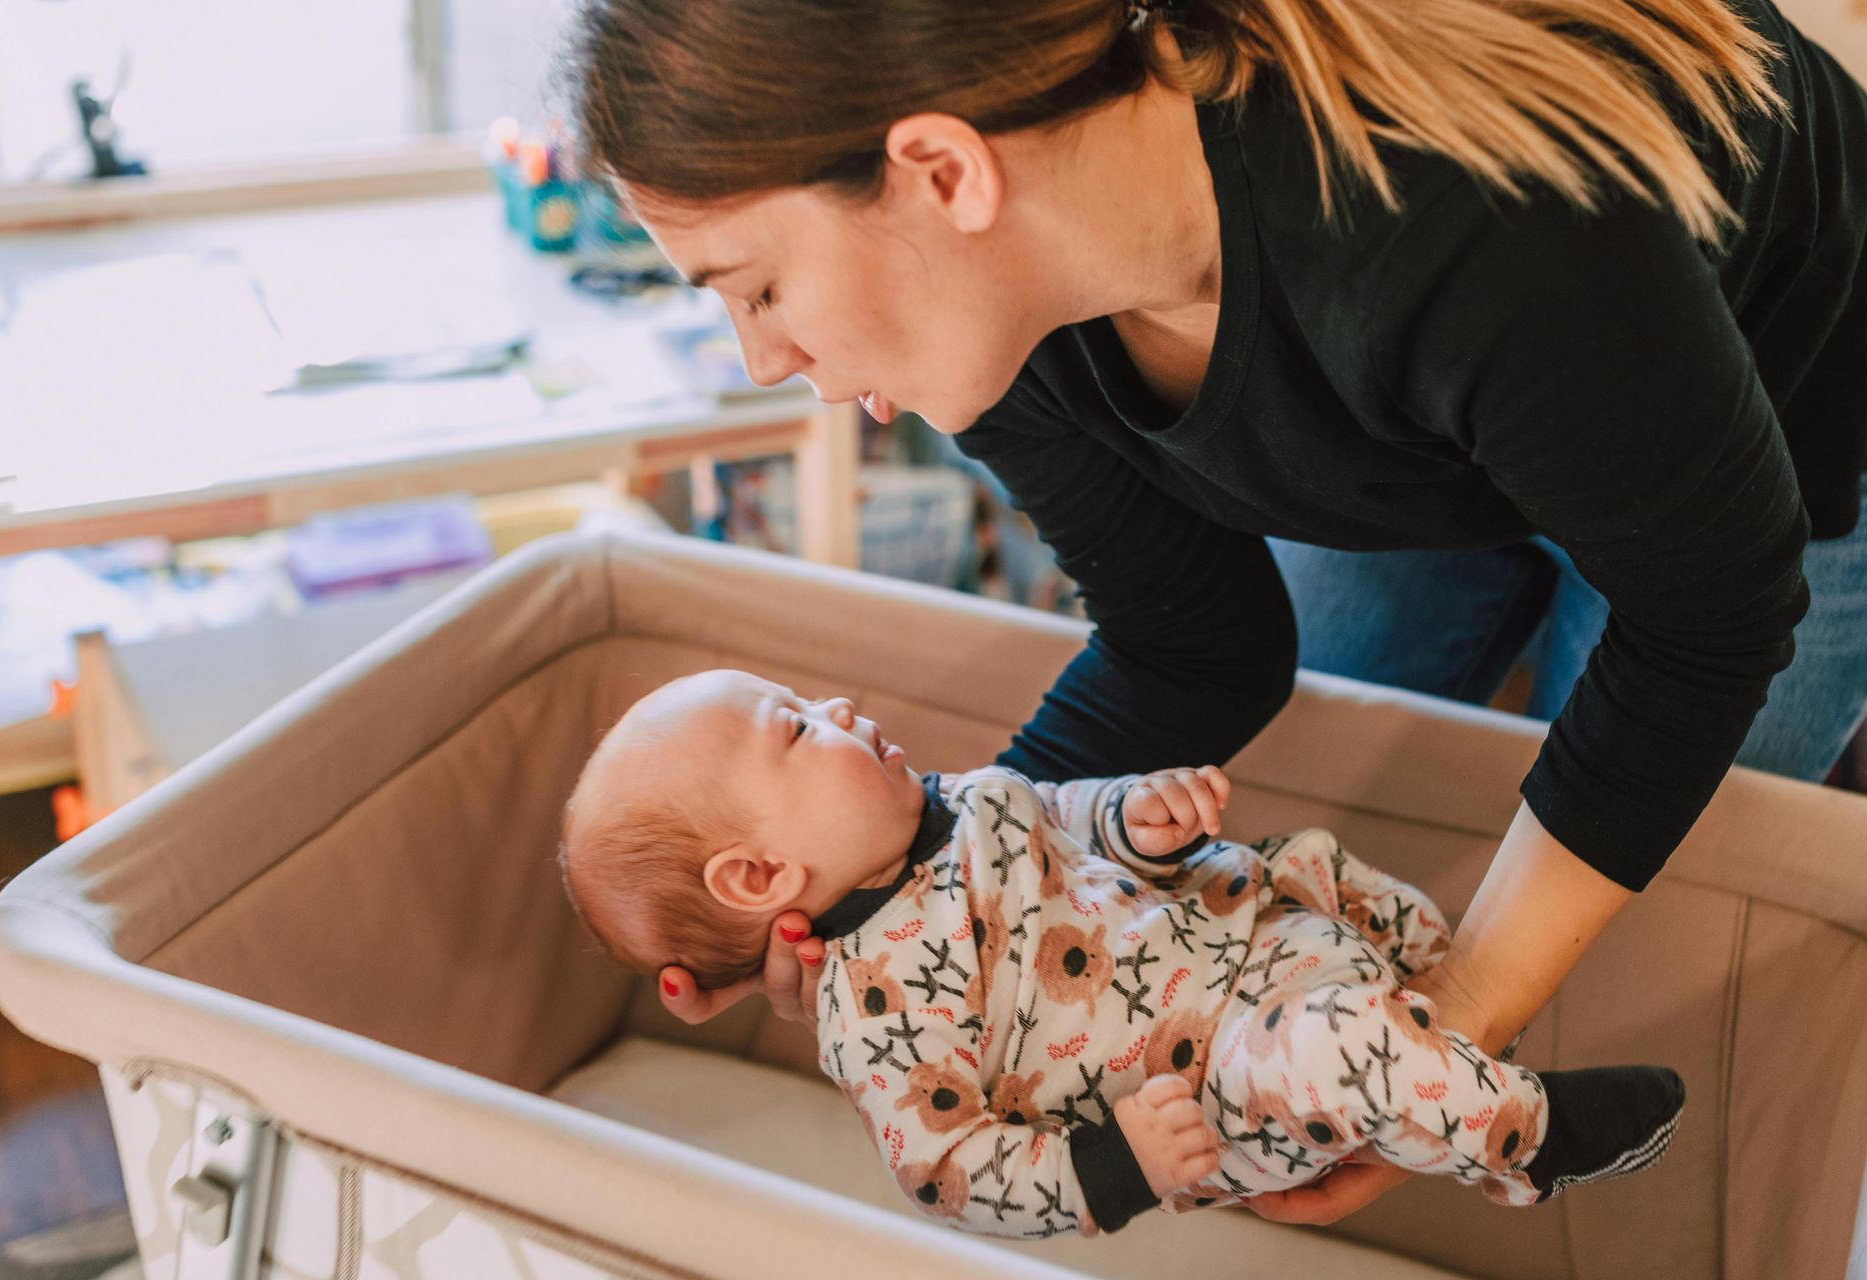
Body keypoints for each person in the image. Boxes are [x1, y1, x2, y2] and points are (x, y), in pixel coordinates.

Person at [564, 0, 1867, 1222]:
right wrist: (941, 893)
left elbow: (1711, 617)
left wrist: (1460, 1015)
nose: (764, 360)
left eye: (759, 288)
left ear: (944, 174)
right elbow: (1197, 643)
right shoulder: (999, 313)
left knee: (1656, 925)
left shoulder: (1449, 220)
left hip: (1785, 401)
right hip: (1455, 401)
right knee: (1340, 805)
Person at [557, 669, 1686, 1237]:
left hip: (1254, 929)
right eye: (799, 728)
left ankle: (1451, 1064)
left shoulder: (956, 801)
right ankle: (1526, 1137)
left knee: (1329, 868)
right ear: (758, 877)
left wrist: (1134, 819)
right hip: (1220, 1081)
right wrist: (1118, 1164)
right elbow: (948, 1168)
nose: (840, 706)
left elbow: (1060, 810)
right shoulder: (874, 1009)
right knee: (1339, 1049)